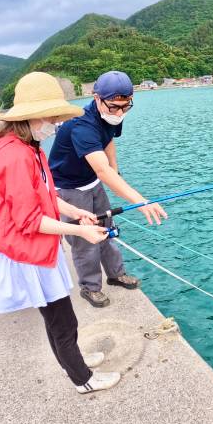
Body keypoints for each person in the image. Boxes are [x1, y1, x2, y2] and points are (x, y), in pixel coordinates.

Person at [0, 71, 120, 394]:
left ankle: (75, 362)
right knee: (62, 323)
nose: (55, 124)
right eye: (51, 118)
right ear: (31, 118)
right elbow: (29, 220)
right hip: (29, 253)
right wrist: (79, 231)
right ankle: (83, 380)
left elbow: (42, 194)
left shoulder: (28, 147)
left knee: (59, 320)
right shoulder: (14, 156)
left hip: (37, 248)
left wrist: (73, 211)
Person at [49, 70, 167, 308]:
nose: (119, 113)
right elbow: (102, 170)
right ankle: (90, 287)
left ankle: (116, 274)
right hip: (70, 189)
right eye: (114, 107)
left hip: (92, 182)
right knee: (85, 240)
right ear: (96, 98)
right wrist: (140, 200)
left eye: (125, 107)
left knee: (107, 229)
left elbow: (109, 139)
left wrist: (116, 168)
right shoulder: (81, 124)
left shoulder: (112, 115)